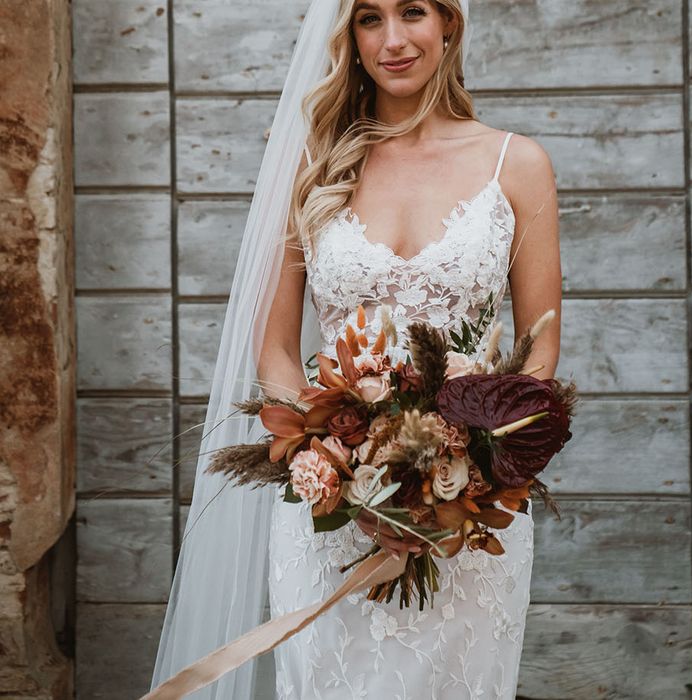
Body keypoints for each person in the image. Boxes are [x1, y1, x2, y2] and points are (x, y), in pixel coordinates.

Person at [149, 1, 560, 698]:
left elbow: (539, 353)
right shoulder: (309, 162)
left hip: (468, 517)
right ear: (349, 38)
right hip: (332, 518)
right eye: (370, 18)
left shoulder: (515, 164)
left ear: (449, 24)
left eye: (413, 12)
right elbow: (276, 349)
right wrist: (337, 468)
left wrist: (460, 473)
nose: (394, 39)